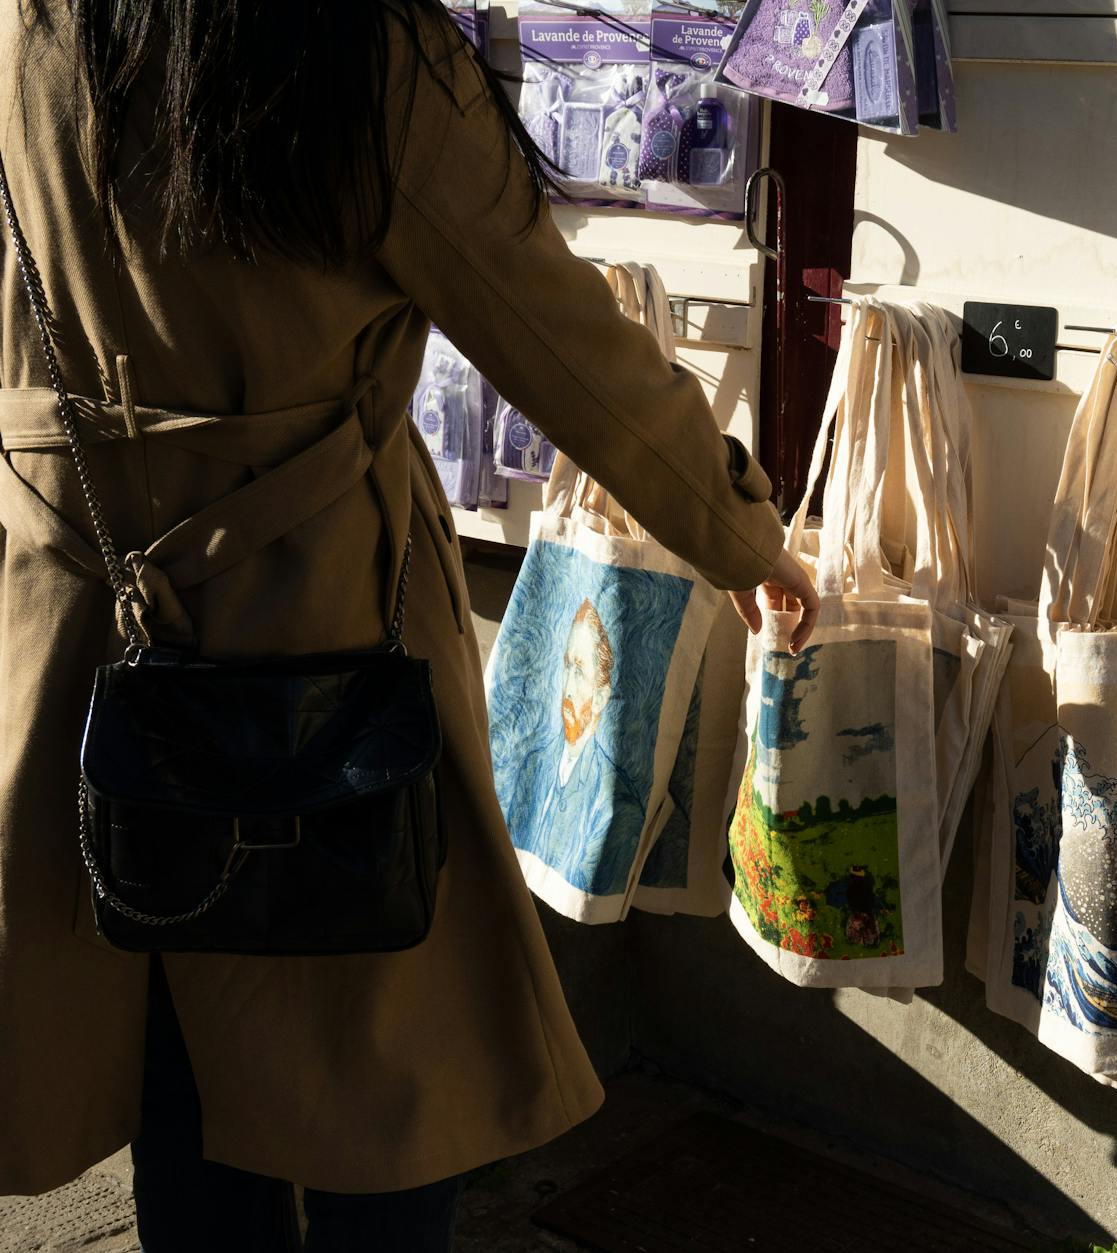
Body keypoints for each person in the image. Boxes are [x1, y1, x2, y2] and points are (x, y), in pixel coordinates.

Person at [0, 2, 819, 1250]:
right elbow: (554, 334)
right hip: (322, 624)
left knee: (175, 1036)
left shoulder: (30, 28)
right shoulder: (349, 46)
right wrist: (739, 533)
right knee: (387, 1069)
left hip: (87, 624)